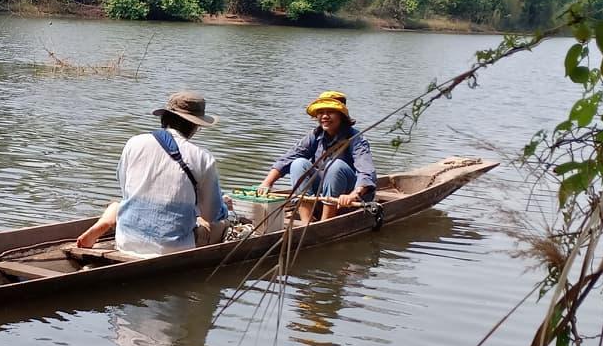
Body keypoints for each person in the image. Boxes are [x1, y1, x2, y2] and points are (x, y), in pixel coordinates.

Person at [74, 90, 228, 256]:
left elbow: (126, 188)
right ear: (195, 126)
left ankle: (108, 220)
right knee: (220, 224)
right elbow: (211, 215)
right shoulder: (202, 157)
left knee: (118, 204)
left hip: (126, 242)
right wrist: (225, 208)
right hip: (172, 249)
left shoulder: (134, 143)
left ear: (165, 118)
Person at [257, 89, 377, 224]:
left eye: (330, 112)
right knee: (298, 163)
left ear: (342, 115)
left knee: (335, 166)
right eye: (321, 112)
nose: (324, 116)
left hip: (347, 196)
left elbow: (366, 171)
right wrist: (267, 183)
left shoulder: (356, 139)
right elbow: (289, 157)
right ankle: (306, 221)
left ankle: (325, 223)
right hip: (321, 193)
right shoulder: (315, 135)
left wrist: (354, 194)